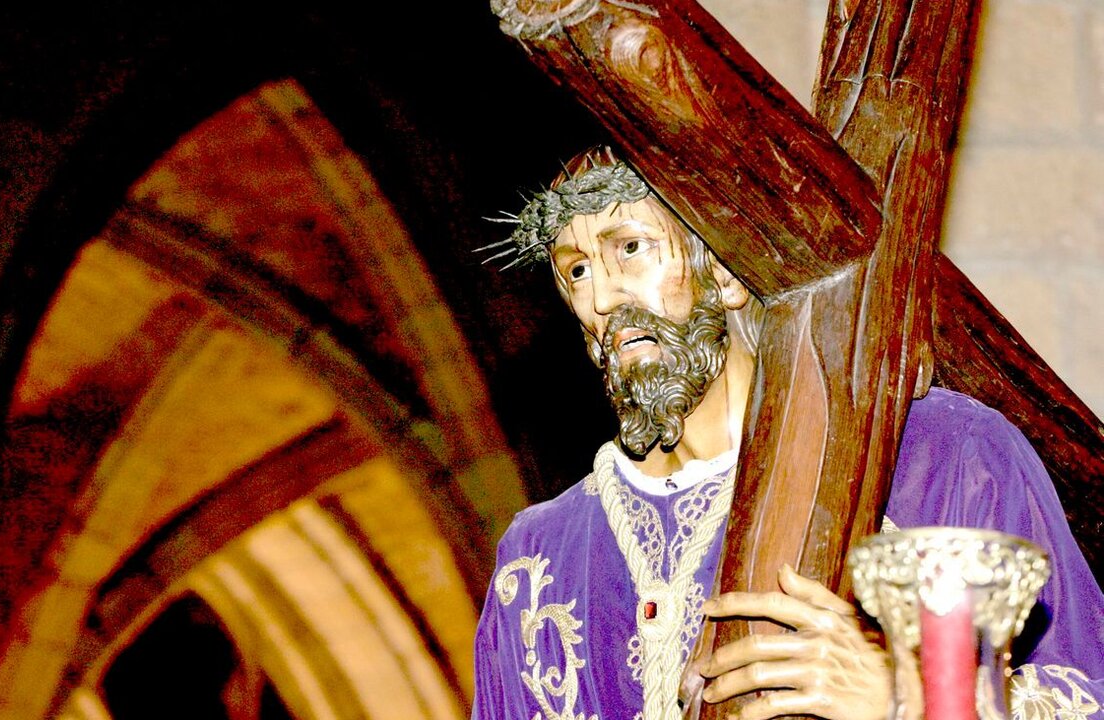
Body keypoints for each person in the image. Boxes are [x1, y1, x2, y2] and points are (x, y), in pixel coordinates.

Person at [471, 146, 1104, 720]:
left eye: (630, 250)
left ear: (724, 271)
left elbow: (1085, 695)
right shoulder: (538, 560)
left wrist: (902, 697)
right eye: (576, 272)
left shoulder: (941, 458)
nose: (603, 297)